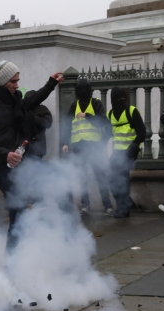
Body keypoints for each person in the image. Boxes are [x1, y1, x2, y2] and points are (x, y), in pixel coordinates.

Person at [0, 60, 63, 254]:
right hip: (3, 167)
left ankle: (20, 253)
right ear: (2, 81)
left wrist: (50, 84)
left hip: (21, 163)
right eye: (13, 81)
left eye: (18, 80)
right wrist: (5, 154)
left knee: (28, 206)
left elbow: (29, 102)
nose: (17, 85)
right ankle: (13, 258)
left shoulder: (10, 100)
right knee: (19, 208)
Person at [62, 80, 114, 216]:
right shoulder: (74, 106)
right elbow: (67, 126)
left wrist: (88, 116)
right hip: (78, 147)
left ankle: (107, 205)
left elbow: (103, 121)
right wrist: (65, 143)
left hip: (94, 147)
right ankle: (85, 205)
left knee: (100, 176)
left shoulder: (96, 104)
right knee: (82, 177)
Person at [107, 87, 146, 218]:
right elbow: (107, 133)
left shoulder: (132, 111)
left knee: (121, 179)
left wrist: (133, 146)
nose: (121, 101)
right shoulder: (110, 114)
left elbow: (142, 132)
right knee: (112, 179)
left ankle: (123, 209)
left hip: (130, 152)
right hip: (117, 152)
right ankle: (127, 203)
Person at [24, 90, 53, 160]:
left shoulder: (42, 109)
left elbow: (48, 123)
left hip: (38, 146)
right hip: (24, 146)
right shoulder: (23, 109)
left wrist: (33, 118)